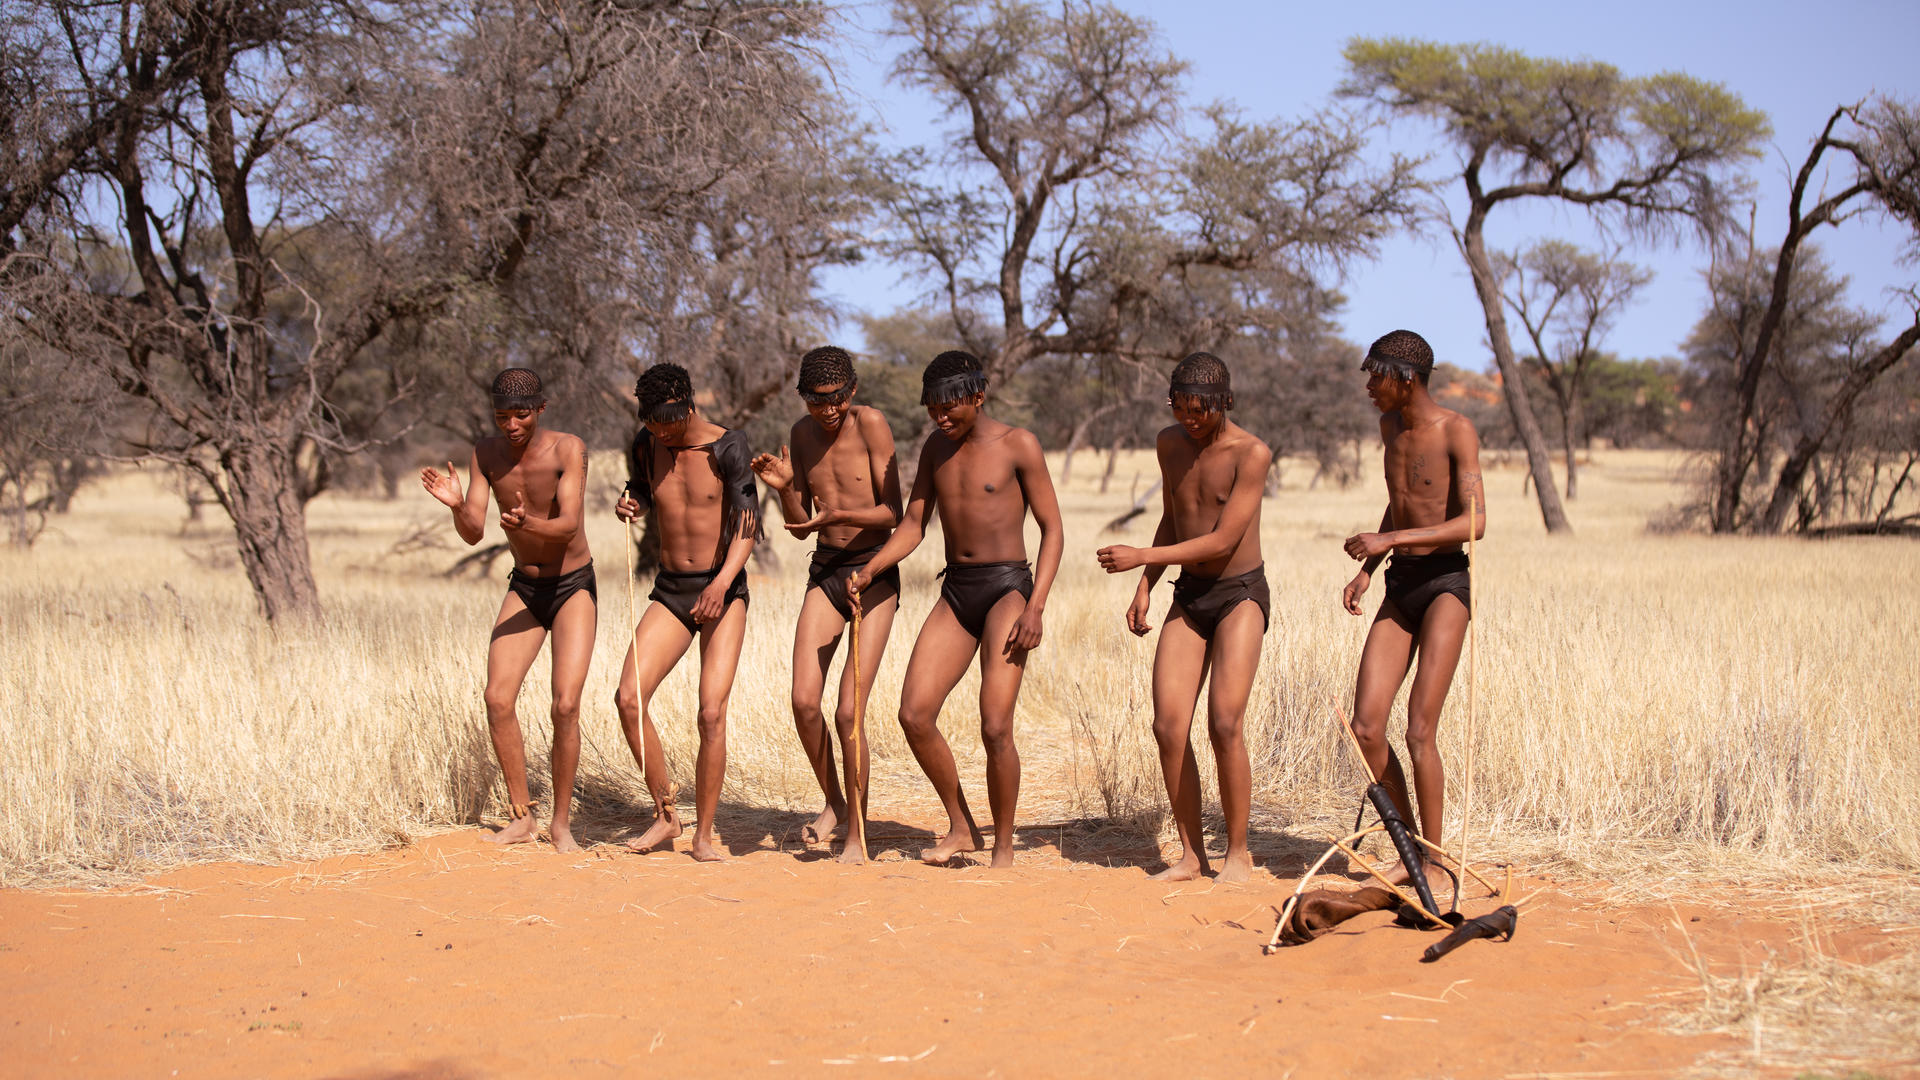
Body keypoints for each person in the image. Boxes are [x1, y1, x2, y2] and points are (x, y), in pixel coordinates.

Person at [848, 351, 1064, 868]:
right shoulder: (934, 449)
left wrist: (1035, 607)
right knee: (914, 714)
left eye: (951, 406)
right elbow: (914, 525)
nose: (941, 417)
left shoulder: (1018, 445)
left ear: (978, 396)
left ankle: (1005, 849)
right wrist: (871, 568)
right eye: (933, 409)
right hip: (958, 590)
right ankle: (962, 826)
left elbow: (1053, 530)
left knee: (995, 725)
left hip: (1009, 588)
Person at [1095, 353, 1270, 882]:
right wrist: (1145, 588)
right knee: (1169, 726)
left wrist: (1140, 560)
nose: (1190, 419)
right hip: (1188, 593)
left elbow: (1221, 539)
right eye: (1181, 408)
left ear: (1225, 403)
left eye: (1200, 411)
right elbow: (1175, 515)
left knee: (1224, 723)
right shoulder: (1169, 443)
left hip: (1239, 594)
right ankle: (1193, 856)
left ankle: (1238, 853)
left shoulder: (1252, 453)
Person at [420, 368, 594, 853]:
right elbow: (475, 531)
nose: (511, 425)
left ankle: (561, 824)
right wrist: (457, 505)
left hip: (573, 587)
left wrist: (528, 523)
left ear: (541, 408)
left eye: (521, 414)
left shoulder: (568, 449)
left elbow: (566, 526)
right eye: (502, 416)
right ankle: (523, 818)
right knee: (498, 698)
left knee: (565, 704)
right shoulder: (485, 454)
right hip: (526, 587)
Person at [1340, 329, 1486, 888]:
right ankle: (1407, 846)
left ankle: (1437, 860)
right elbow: (1400, 500)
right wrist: (1368, 568)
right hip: (1400, 582)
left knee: (1420, 730)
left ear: (1405, 377)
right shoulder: (1388, 429)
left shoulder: (1457, 429)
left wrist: (1389, 543)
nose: (1369, 388)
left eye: (1376, 376)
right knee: (1365, 725)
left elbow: (1476, 522)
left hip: (1446, 582)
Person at [751, 347, 903, 862]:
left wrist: (841, 512)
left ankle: (858, 836)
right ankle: (835, 803)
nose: (828, 409)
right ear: (804, 399)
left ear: (852, 391)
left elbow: (894, 514)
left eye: (837, 398)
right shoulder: (799, 434)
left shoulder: (872, 424)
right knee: (803, 701)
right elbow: (798, 527)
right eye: (817, 401)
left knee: (847, 712)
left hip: (874, 570)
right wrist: (784, 490)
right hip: (826, 569)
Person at [612, 362, 760, 863]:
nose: (661, 432)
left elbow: (747, 528)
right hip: (671, 590)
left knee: (710, 712)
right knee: (628, 699)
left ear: (689, 405)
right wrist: (631, 502)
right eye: (652, 423)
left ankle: (704, 835)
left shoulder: (728, 445)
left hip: (722, 589)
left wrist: (721, 584)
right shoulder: (645, 442)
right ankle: (666, 815)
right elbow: (642, 489)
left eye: (668, 422)